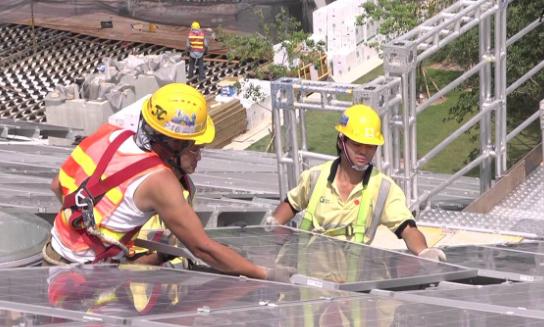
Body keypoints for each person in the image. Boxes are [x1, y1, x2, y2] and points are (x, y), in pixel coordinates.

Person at [44, 83, 291, 282]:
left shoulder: (112, 136)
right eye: (197, 148)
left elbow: (58, 185)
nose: (200, 156)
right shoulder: (160, 181)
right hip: (84, 281)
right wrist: (264, 273)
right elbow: (202, 249)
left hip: (52, 257)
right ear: (175, 143)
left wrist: (87, 226)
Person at [266, 104, 446, 262]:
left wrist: (423, 251)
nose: (364, 151)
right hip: (308, 279)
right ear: (341, 140)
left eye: (370, 146)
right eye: (357, 143)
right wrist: (268, 231)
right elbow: (289, 205)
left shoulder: (382, 188)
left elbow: (408, 229)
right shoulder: (315, 177)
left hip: (351, 284)